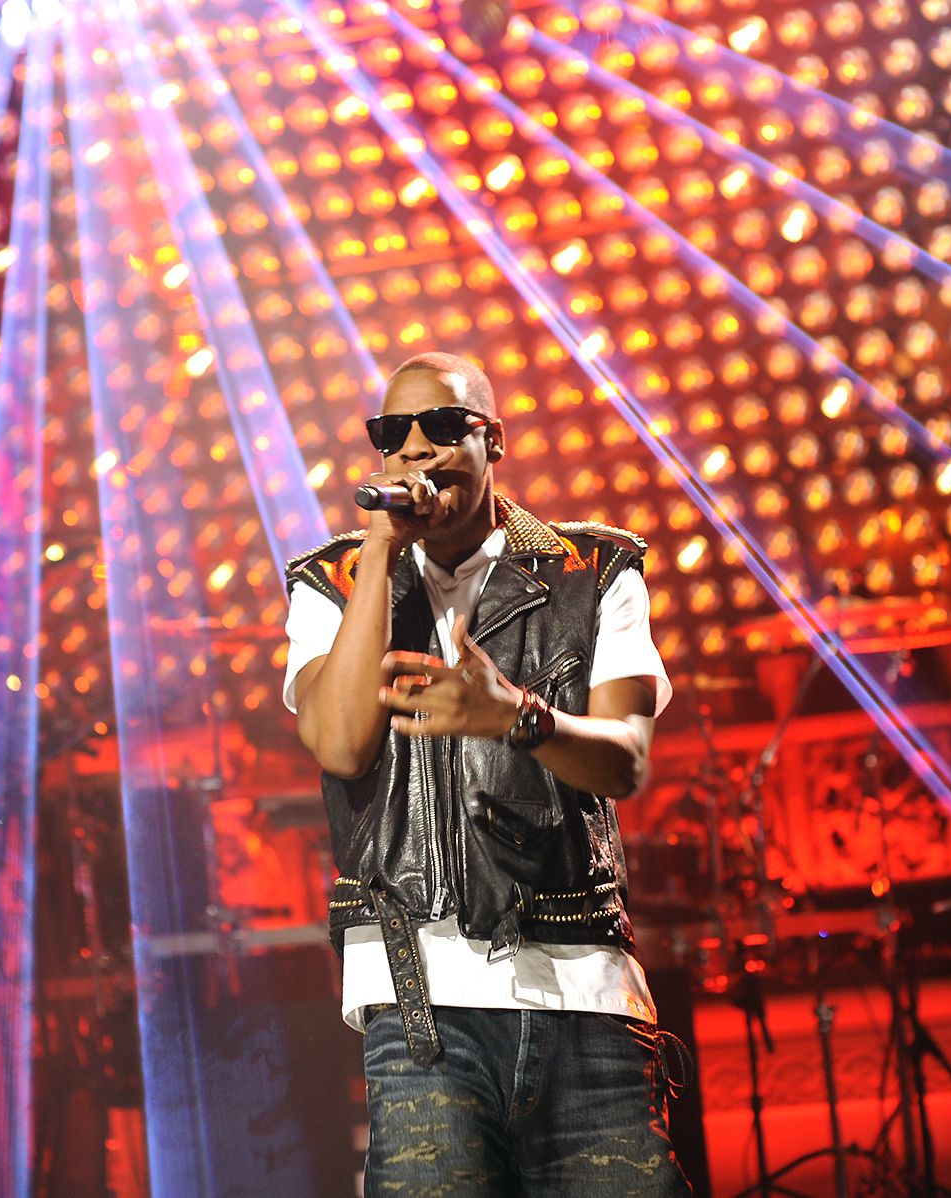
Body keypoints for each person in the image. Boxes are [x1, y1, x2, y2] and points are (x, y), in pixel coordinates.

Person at [283, 352, 691, 1194]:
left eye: (441, 426)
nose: (415, 449)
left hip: (584, 998)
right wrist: (380, 553)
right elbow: (339, 745)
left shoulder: (593, 570)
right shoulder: (332, 582)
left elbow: (625, 760)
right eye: (393, 433)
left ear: (493, 440)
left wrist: (517, 716)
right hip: (421, 1014)